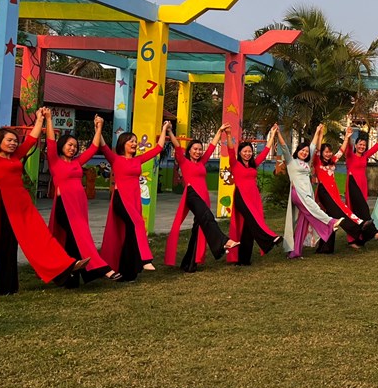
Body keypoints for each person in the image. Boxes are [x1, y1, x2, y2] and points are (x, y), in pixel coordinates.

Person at [0, 112, 87, 296]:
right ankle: (2, 287)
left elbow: (31, 139)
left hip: (22, 202)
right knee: (4, 245)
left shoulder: (16, 157)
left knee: (40, 236)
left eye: (15, 141)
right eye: (9, 140)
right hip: (2, 204)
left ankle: (64, 266)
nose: (13, 143)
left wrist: (40, 119)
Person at [45, 111, 119, 285]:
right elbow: (50, 141)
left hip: (79, 206)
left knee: (72, 241)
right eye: (70, 145)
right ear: (61, 146)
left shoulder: (77, 162)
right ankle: (101, 268)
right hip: (64, 206)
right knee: (80, 237)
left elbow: (93, 147)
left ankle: (69, 278)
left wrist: (99, 127)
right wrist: (48, 119)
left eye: (75, 146)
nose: (73, 148)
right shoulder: (55, 161)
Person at [277, 125, 373, 258]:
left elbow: (341, 151)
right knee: (338, 213)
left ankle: (325, 247)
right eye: (325, 152)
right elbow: (314, 148)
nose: (328, 154)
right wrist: (319, 133)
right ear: (321, 153)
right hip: (322, 192)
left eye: (329, 152)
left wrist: (347, 137)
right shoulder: (316, 161)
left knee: (330, 214)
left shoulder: (331, 161)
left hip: (332, 193)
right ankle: (354, 226)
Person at [97, 120, 168, 282]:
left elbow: (158, 148)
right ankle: (145, 259)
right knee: (137, 224)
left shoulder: (138, 160)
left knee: (129, 233)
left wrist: (164, 129)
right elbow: (102, 145)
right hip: (121, 199)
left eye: (136, 141)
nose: (135, 144)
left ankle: (128, 272)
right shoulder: (115, 159)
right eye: (131, 141)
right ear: (123, 143)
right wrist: (99, 126)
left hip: (134, 201)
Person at [163, 122, 237, 272]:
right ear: (189, 151)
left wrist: (220, 131)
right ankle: (223, 241)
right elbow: (177, 146)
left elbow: (212, 146)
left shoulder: (202, 162)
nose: (198, 152)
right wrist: (169, 132)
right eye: (195, 149)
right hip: (192, 195)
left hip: (204, 198)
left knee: (198, 229)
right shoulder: (183, 161)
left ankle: (189, 264)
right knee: (208, 218)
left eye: (199, 149)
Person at [222, 125, 282, 266]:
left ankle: (243, 259)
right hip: (241, 197)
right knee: (253, 221)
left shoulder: (253, 164)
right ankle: (268, 239)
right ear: (240, 152)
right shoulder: (235, 164)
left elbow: (266, 151)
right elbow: (230, 149)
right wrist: (229, 134)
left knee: (248, 227)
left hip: (253, 197)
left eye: (249, 151)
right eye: (245, 151)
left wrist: (272, 134)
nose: (247, 154)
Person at [338, 119, 378, 246]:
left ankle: (360, 239)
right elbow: (348, 147)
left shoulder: (365, 156)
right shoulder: (350, 155)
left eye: (364, 145)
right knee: (354, 212)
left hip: (362, 185)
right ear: (356, 145)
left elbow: (376, 147)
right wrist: (348, 136)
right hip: (352, 186)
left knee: (361, 212)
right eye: (360, 144)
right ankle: (355, 239)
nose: (362, 147)